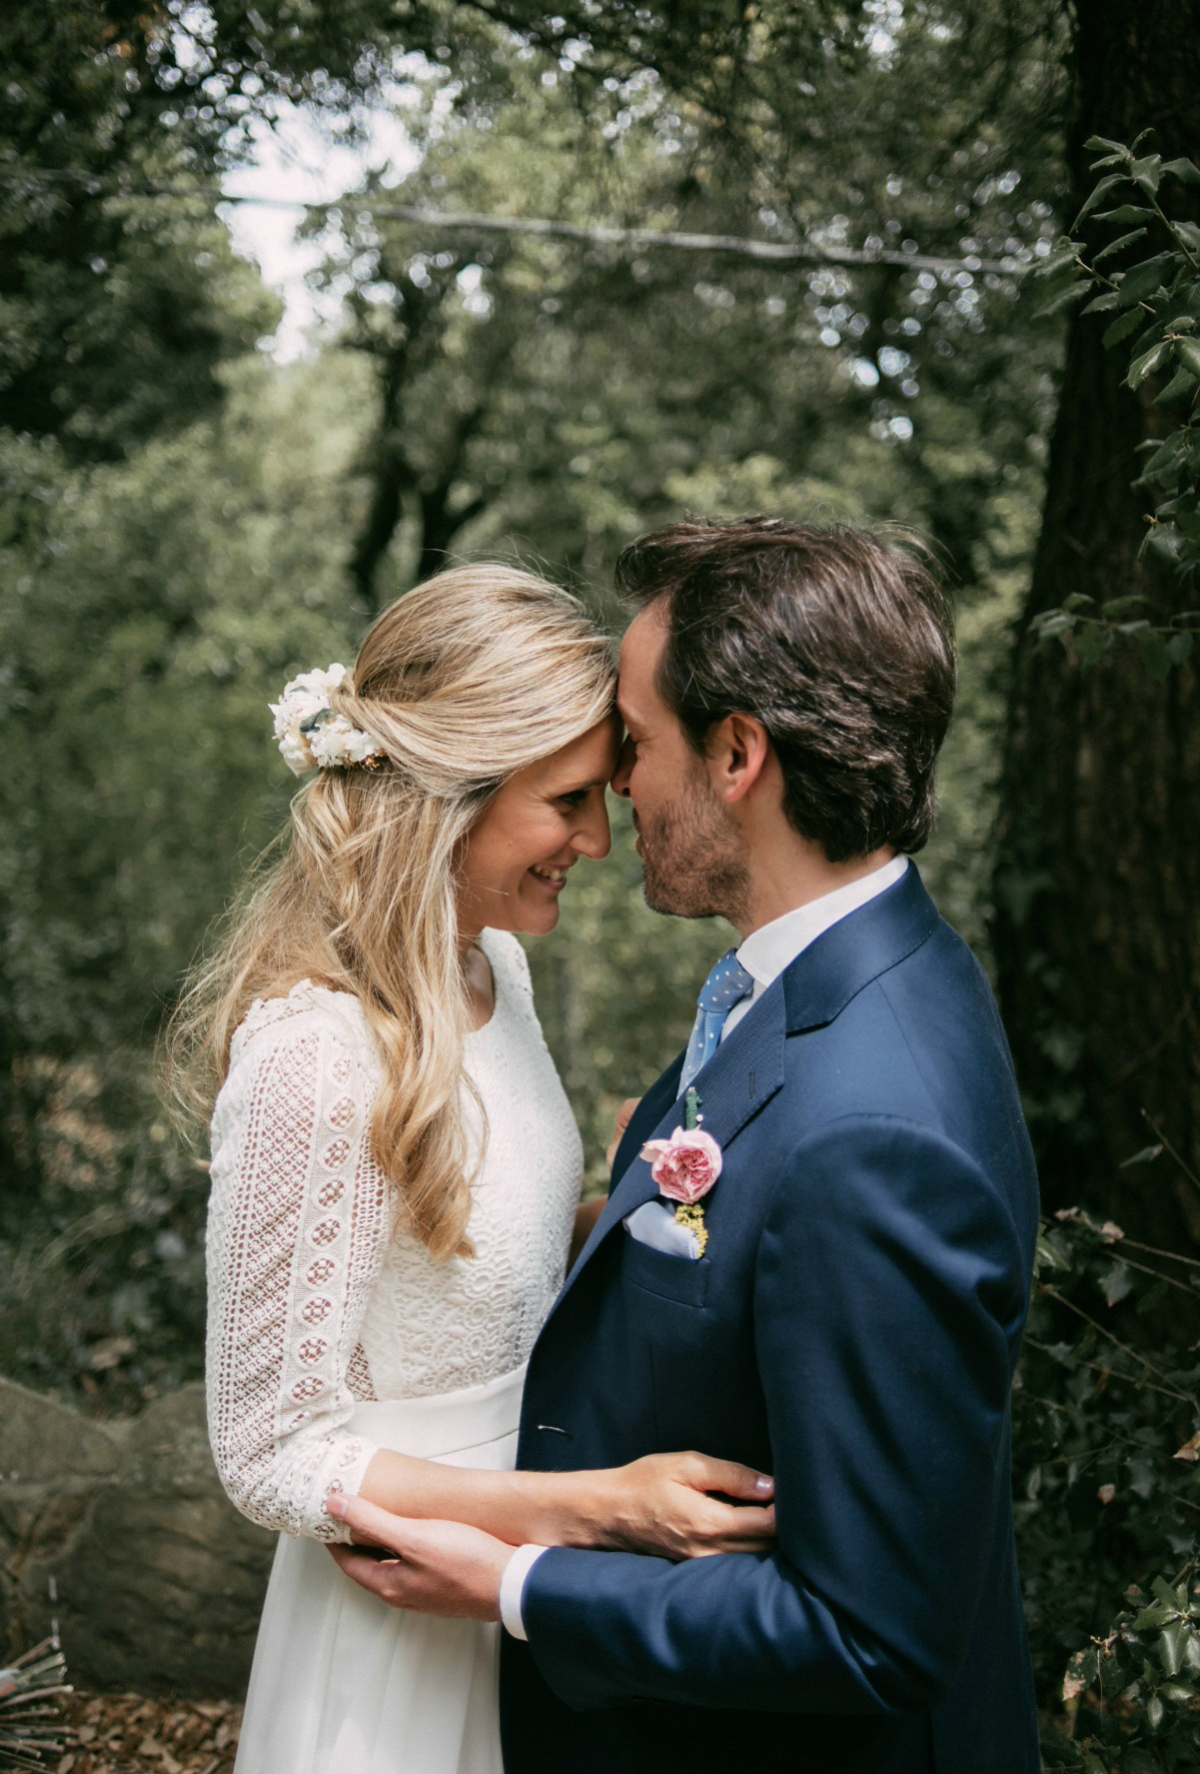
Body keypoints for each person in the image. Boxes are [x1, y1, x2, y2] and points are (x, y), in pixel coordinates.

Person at [329, 520, 1043, 1774]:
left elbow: (870, 1634)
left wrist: (520, 1583)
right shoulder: (840, 982)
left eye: (636, 745)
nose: (615, 790)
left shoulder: (871, 1127)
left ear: (737, 754)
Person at [165, 563, 776, 1774]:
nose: (599, 840)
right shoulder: (318, 1056)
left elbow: (470, 1258)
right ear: (442, 798)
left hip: (530, 1594)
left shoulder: (496, 967)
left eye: (603, 792)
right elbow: (268, 1453)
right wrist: (593, 1509)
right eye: (564, 801)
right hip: (404, 1618)